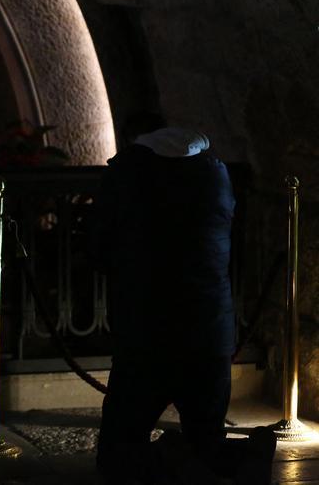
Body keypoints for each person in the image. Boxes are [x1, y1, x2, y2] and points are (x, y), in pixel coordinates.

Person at [93, 115, 274, 484]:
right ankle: (244, 456)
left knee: (118, 447)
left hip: (146, 331)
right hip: (208, 330)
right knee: (207, 439)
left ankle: (168, 463)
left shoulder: (126, 175)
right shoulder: (215, 173)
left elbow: (100, 250)